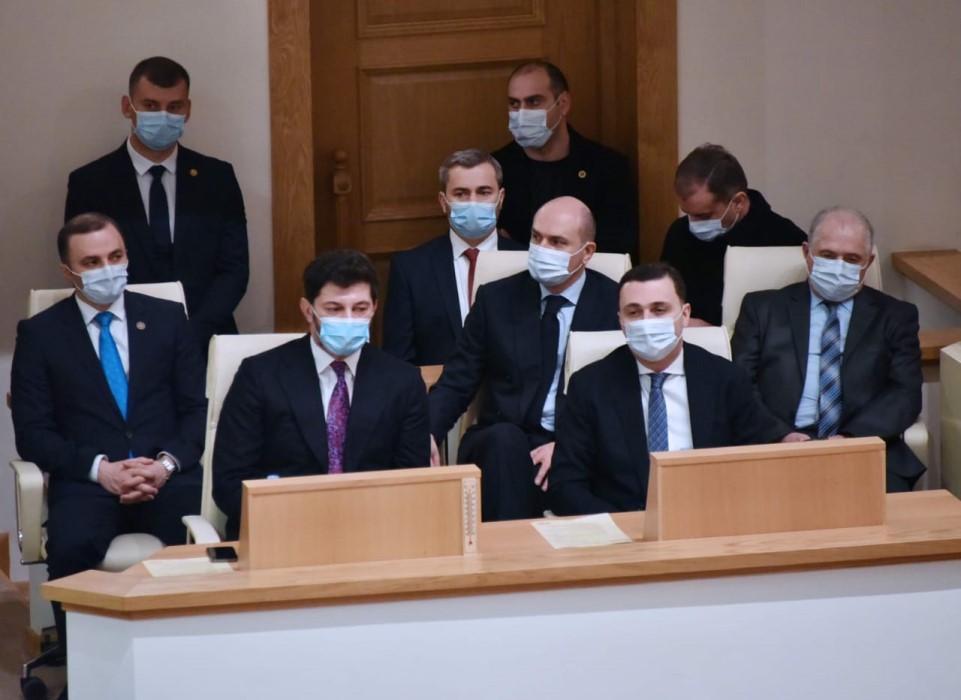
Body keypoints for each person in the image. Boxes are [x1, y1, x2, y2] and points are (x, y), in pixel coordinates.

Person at [11, 213, 206, 673]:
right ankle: (86, 673)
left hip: (165, 475)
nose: (107, 269)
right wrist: (102, 470)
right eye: (92, 262)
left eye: (115, 256)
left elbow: (197, 409)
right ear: (68, 272)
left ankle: (193, 665)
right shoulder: (40, 334)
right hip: (88, 481)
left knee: (214, 536)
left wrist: (164, 465)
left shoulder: (167, 319)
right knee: (71, 543)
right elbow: (33, 432)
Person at [213, 249, 430, 539]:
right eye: (334, 309)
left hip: (374, 533)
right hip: (281, 533)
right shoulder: (260, 375)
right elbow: (229, 483)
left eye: (360, 308)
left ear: (375, 308)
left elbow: (413, 483)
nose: (349, 319)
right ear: (308, 310)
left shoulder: (403, 381)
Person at [428, 196, 620, 521]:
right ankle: (511, 550)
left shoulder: (615, 306)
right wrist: (426, 432)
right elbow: (457, 380)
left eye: (557, 242)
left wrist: (568, 446)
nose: (542, 249)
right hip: (502, 441)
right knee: (505, 443)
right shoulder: (496, 300)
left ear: (587, 252)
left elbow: (623, 396)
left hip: (580, 445)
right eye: (536, 237)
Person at [549, 263, 785, 515]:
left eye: (659, 310)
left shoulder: (726, 379)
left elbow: (755, 469)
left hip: (711, 518)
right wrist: (622, 525)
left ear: (685, 314)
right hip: (623, 525)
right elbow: (566, 485)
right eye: (634, 312)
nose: (646, 321)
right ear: (621, 321)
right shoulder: (590, 385)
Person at [732, 206, 925, 492]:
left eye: (852, 259)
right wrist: (781, 435)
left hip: (863, 447)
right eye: (828, 255)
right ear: (806, 253)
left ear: (868, 262)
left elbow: (905, 392)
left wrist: (851, 439)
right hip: (776, 446)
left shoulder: (896, 316)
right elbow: (739, 384)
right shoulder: (762, 309)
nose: (839, 266)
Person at [65, 56, 248, 353]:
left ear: (187, 109)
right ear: (128, 107)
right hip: (123, 340)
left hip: (206, 339)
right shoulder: (90, 183)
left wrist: (193, 332)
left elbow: (234, 269)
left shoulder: (218, 178)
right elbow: (86, 269)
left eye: (174, 107)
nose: (163, 116)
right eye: (150, 105)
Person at [383, 148, 524, 365]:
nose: (473, 202)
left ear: (501, 198)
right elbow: (398, 361)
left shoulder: (526, 261)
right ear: (443, 202)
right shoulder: (411, 269)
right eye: (461, 194)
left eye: (484, 192)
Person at [492, 60, 638, 258]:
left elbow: (616, 249)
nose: (522, 113)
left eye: (533, 102)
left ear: (563, 104)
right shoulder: (495, 168)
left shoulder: (607, 168)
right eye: (514, 104)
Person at [660, 144, 806, 326]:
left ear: (738, 201)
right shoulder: (679, 233)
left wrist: (714, 330)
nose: (693, 223)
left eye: (703, 215)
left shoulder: (785, 240)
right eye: (687, 213)